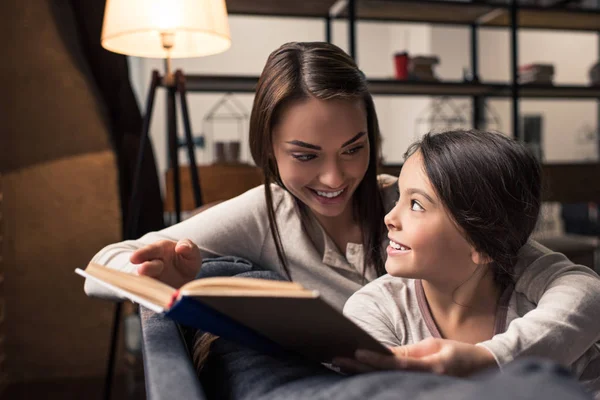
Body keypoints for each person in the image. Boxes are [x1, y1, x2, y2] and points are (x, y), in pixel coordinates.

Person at [84, 41, 600, 385]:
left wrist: (491, 358)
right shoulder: (261, 214)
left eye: (353, 149)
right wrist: (161, 271)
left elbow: (562, 279)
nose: (334, 179)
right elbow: (103, 267)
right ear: (268, 149)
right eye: (306, 156)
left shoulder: (411, 200)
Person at [338, 129, 599, 397]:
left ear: (482, 243)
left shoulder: (549, 322)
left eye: (416, 204)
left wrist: (488, 360)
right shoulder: (374, 311)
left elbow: (588, 294)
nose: (390, 217)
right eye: (398, 198)